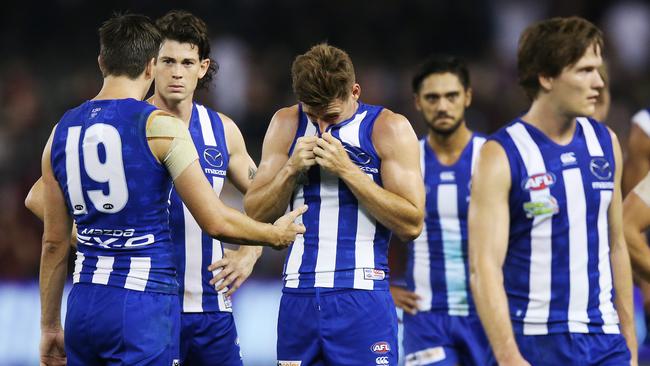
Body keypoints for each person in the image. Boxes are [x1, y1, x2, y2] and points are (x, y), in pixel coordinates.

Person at [37, 13, 305, 366]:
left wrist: (249, 253)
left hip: (206, 309)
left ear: (202, 67)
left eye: (186, 62)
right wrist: (95, 234)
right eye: (167, 61)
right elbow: (37, 197)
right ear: (151, 65)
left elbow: (264, 199)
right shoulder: (141, 125)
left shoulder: (221, 131)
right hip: (151, 303)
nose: (176, 72)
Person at [469, 16, 637, 366]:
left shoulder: (605, 142)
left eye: (599, 68)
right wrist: (508, 356)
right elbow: (484, 266)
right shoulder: (500, 154)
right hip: (533, 342)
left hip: (604, 341)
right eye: (584, 70)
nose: (599, 81)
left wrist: (631, 347)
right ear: (546, 77)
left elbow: (616, 245)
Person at [244, 43, 425, 365]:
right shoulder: (286, 123)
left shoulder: (388, 128)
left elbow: (411, 224)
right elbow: (255, 214)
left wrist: (348, 171)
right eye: (314, 116)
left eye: (331, 116)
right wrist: (290, 170)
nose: (323, 128)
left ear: (355, 91)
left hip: (361, 294)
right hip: (297, 296)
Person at [390, 56, 489, 366]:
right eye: (432, 97)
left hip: (488, 315)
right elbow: (365, 223)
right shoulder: (406, 162)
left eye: (452, 96)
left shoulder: (493, 157)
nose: (443, 106)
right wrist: (382, 286)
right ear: (418, 102)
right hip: (425, 316)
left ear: (467, 97)